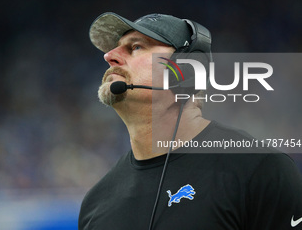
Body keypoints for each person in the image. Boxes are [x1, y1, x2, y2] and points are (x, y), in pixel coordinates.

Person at [78, 12, 302, 230]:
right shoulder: (96, 202)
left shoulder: (260, 170)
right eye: (115, 47)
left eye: (136, 47)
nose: (109, 56)